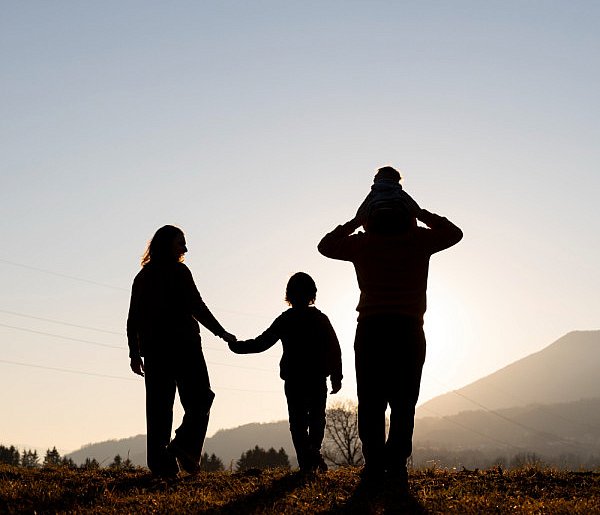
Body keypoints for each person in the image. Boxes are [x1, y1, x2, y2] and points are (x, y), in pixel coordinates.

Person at [317, 188, 463, 487]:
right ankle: (396, 466)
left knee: (371, 401)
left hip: (371, 329)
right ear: (405, 208)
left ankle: (373, 466)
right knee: (404, 401)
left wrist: (355, 221)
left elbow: (326, 246)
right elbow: (454, 233)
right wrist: (421, 212)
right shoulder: (419, 240)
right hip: (409, 329)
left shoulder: (363, 243)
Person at [127, 225, 236, 477]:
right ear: (167, 245)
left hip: (154, 351)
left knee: (159, 410)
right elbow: (197, 306)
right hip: (185, 346)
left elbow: (133, 319)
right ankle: (184, 448)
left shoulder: (141, 277)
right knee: (201, 399)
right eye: (181, 243)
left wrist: (134, 353)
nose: (185, 248)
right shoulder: (179, 271)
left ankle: (161, 465)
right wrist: (222, 333)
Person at [228, 272, 343, 472]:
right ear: (312, 294)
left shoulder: (286, 319)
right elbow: (335, 349)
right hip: (316, 378)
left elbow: (262, 342)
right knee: (317, 418)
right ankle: (313, 452)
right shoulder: (320, 318)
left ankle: (307, 461)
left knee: (297, 422)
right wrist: (336, 376)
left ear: (289, 295)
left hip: (294, 379)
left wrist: (237, 347)